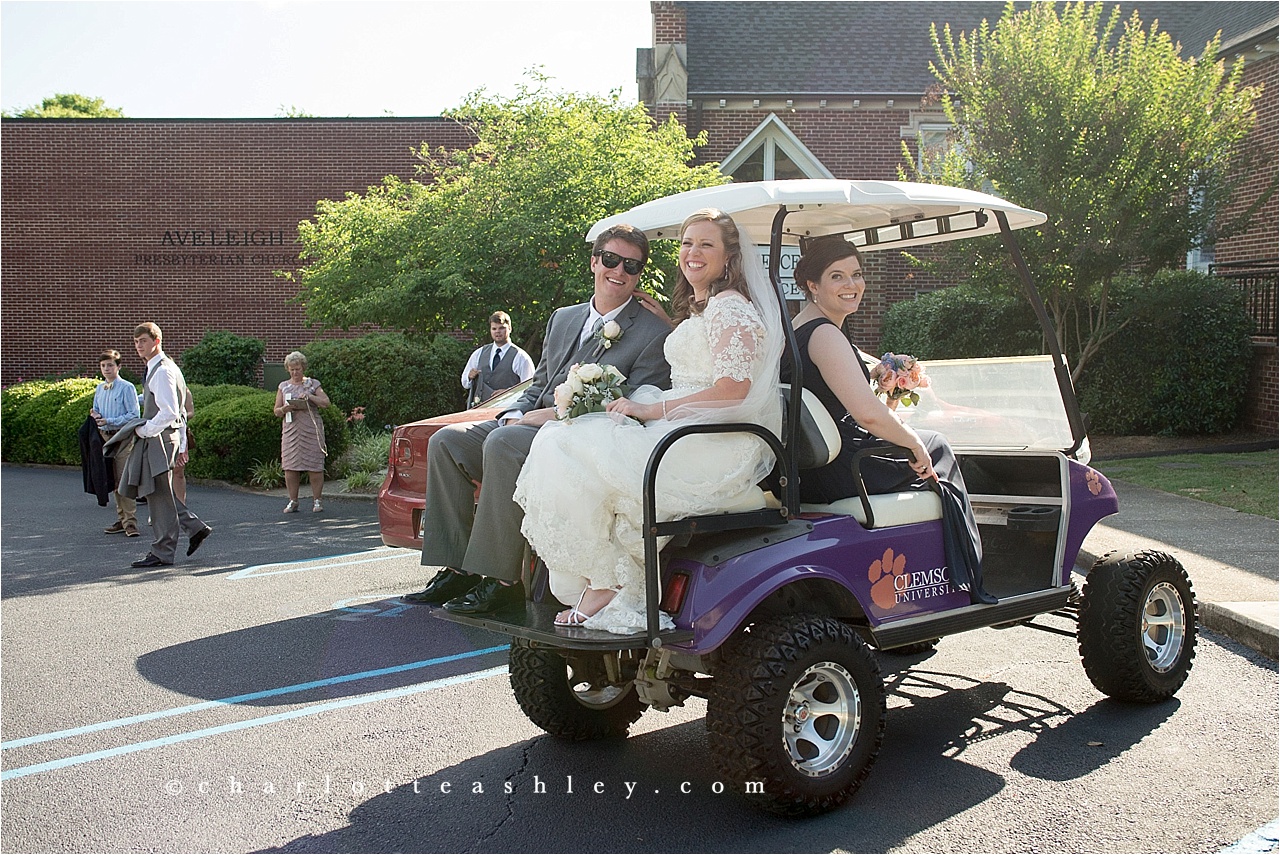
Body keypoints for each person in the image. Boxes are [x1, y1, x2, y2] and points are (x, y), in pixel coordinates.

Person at [514, 208, 784, 634]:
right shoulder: (709, 307)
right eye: (686, 243)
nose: (692, 252)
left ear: (729, 257)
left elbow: (733, 390)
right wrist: (669, 325)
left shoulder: (731, 307)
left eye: (706, 244)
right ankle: (603, 577)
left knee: (574, 443)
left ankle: (608, 581)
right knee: (571, 440)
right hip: (690, 423)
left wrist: (650, 410)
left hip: (716, 438)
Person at [402, 223, 674, 613]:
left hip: (583, 436)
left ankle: (502, 579)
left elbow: (633, 403)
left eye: (631, 266)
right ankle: (457, 568)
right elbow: (540, 383)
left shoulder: (651, 331)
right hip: (533, 422)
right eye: (612, 260)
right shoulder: (564, 317)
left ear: (639, 275)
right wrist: (517, 412)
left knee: (503, 443)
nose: (620, 271)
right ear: (595, 261)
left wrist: (542, 418)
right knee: (446, 442)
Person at [782, 237, 994, 604]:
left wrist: (890, 375)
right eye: (838, 277)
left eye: (857, 274)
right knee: (935, 446)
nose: (852, 285)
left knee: (920, 447)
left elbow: (850, 392)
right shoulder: (826, 335)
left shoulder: (801, 325)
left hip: (814, 467)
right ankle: (967, 574)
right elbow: (865, 413)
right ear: (812, 285)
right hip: (842, 467)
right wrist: (912, 442)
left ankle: (927, 565)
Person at [120, 322, 213, 567]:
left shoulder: (161, 370)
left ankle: (163, 551)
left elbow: (170, 411)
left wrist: (144, 429)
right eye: (136, 342)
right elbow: (177, 411)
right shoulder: (164, 367)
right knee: (161, 493)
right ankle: (194, 528)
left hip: (159, 438)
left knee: (157, 495)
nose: (139, 346)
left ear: (156, 341)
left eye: (144, 341)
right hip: (165, 437)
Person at [90, 349, 140, 536]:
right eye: (103, 366)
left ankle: (131, 523)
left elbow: (134, 415)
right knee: (110, 479)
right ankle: (122, 519)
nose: (106, 369)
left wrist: (110, 421)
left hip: (122, 437)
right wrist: (95, 416)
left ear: (119, 367)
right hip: (104, 437)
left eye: (110, 365)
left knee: (123, 479)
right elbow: (95, 409)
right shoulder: (100, 388)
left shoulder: (127, 388)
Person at [274, 351, 331, 513]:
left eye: (297, 369)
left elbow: (326, 402)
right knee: (290, 467)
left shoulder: (313, 384)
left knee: (315, 466)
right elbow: (276, 411)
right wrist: (284, 408)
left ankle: (317, 500)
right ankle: (293, 501)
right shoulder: (283, 386)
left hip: (311, 429)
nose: (295, 372)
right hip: (291, 429)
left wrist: (310, 397)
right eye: (291, 369)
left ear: (303, 368)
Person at [461, 311, 535, 408]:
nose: (497, 332)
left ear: (510, 329)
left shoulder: (520, 357)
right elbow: (465, 383)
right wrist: (469, 377)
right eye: (494, 328)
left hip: (507, 411)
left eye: (501, 328)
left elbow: (530, 389)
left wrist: (509, 393)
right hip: (479, 411)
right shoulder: (479, 353)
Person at [172, 386, 195, 505]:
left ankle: (181, 505)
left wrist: (180, 415)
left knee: (178, 471)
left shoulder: (184, 390)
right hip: (160, 434)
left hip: (179, 433)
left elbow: (191, 412)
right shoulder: (156, 387)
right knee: (162, 475)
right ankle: (161, 511)